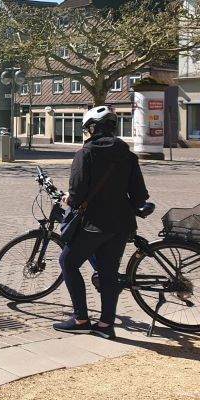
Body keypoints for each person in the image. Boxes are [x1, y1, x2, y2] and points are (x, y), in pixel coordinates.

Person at [53, 105, 149, 340]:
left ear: (93, 128)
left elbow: (76, 195)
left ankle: (81, 319)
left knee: (68, 261)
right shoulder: (128, 154)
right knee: (109, 274)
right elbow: (139, 196)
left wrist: (69, 199)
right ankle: (106, 325)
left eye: (86, 129)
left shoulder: (85, 153)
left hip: (92, 224)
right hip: (121, 225)